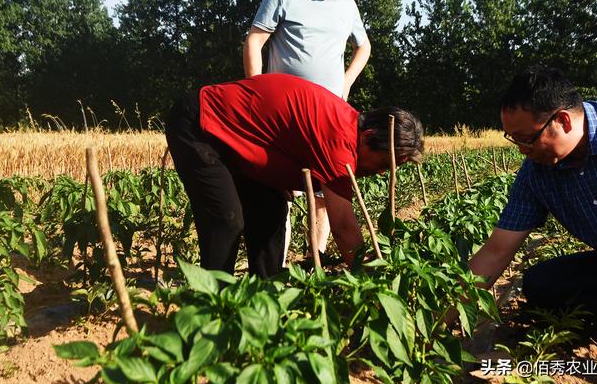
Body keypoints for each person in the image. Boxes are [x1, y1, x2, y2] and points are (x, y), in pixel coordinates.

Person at [165, 73, 423, 277]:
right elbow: (343, 227)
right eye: (384, 164)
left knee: (271, 210)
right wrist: (376, 278)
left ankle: (264, 298)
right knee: (226, 219)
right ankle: (212, 309)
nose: (380, 173)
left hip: (236, 141)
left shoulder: (346, 127)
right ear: (367, 138)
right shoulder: (340, 142)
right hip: (201, 124)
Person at [243, 0, 371, 257]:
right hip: (283, 118)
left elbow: (363, 47)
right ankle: (278, 268)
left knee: (325, 195)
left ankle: (316, 260)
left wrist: (346, 81)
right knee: (279, 193)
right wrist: (257, 92)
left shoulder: (347, 6)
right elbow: (255, 41)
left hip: (328, 121)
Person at [467, 65, 597, 315]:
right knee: (542, 284)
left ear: (563, 120)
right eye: (514, 140)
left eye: (526, 138)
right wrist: (436, 322)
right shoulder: (535, 174)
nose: (522, 150)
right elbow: (495, 252)